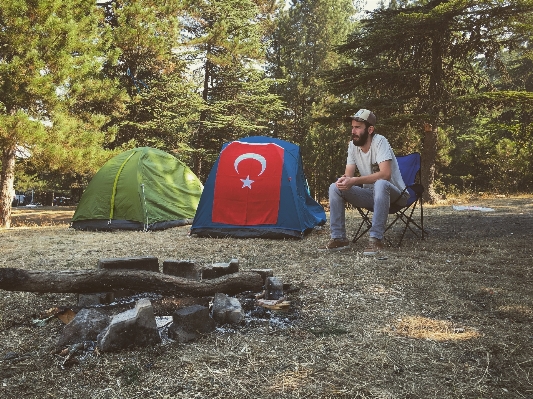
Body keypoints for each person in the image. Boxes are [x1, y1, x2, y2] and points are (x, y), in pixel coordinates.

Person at [321, 109, 409, 255]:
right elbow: (348, 175)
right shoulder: (352, 146)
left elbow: (385, 174)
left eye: (357, 127)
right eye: (352, 127)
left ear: (370, 129)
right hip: (372, 196)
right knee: (335, 187)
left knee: (380, 183)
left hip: (396, 196)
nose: (353, 131)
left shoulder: (380, 141)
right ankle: (339, 238)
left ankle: (375, 240)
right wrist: (344, 180)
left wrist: (355, 180)